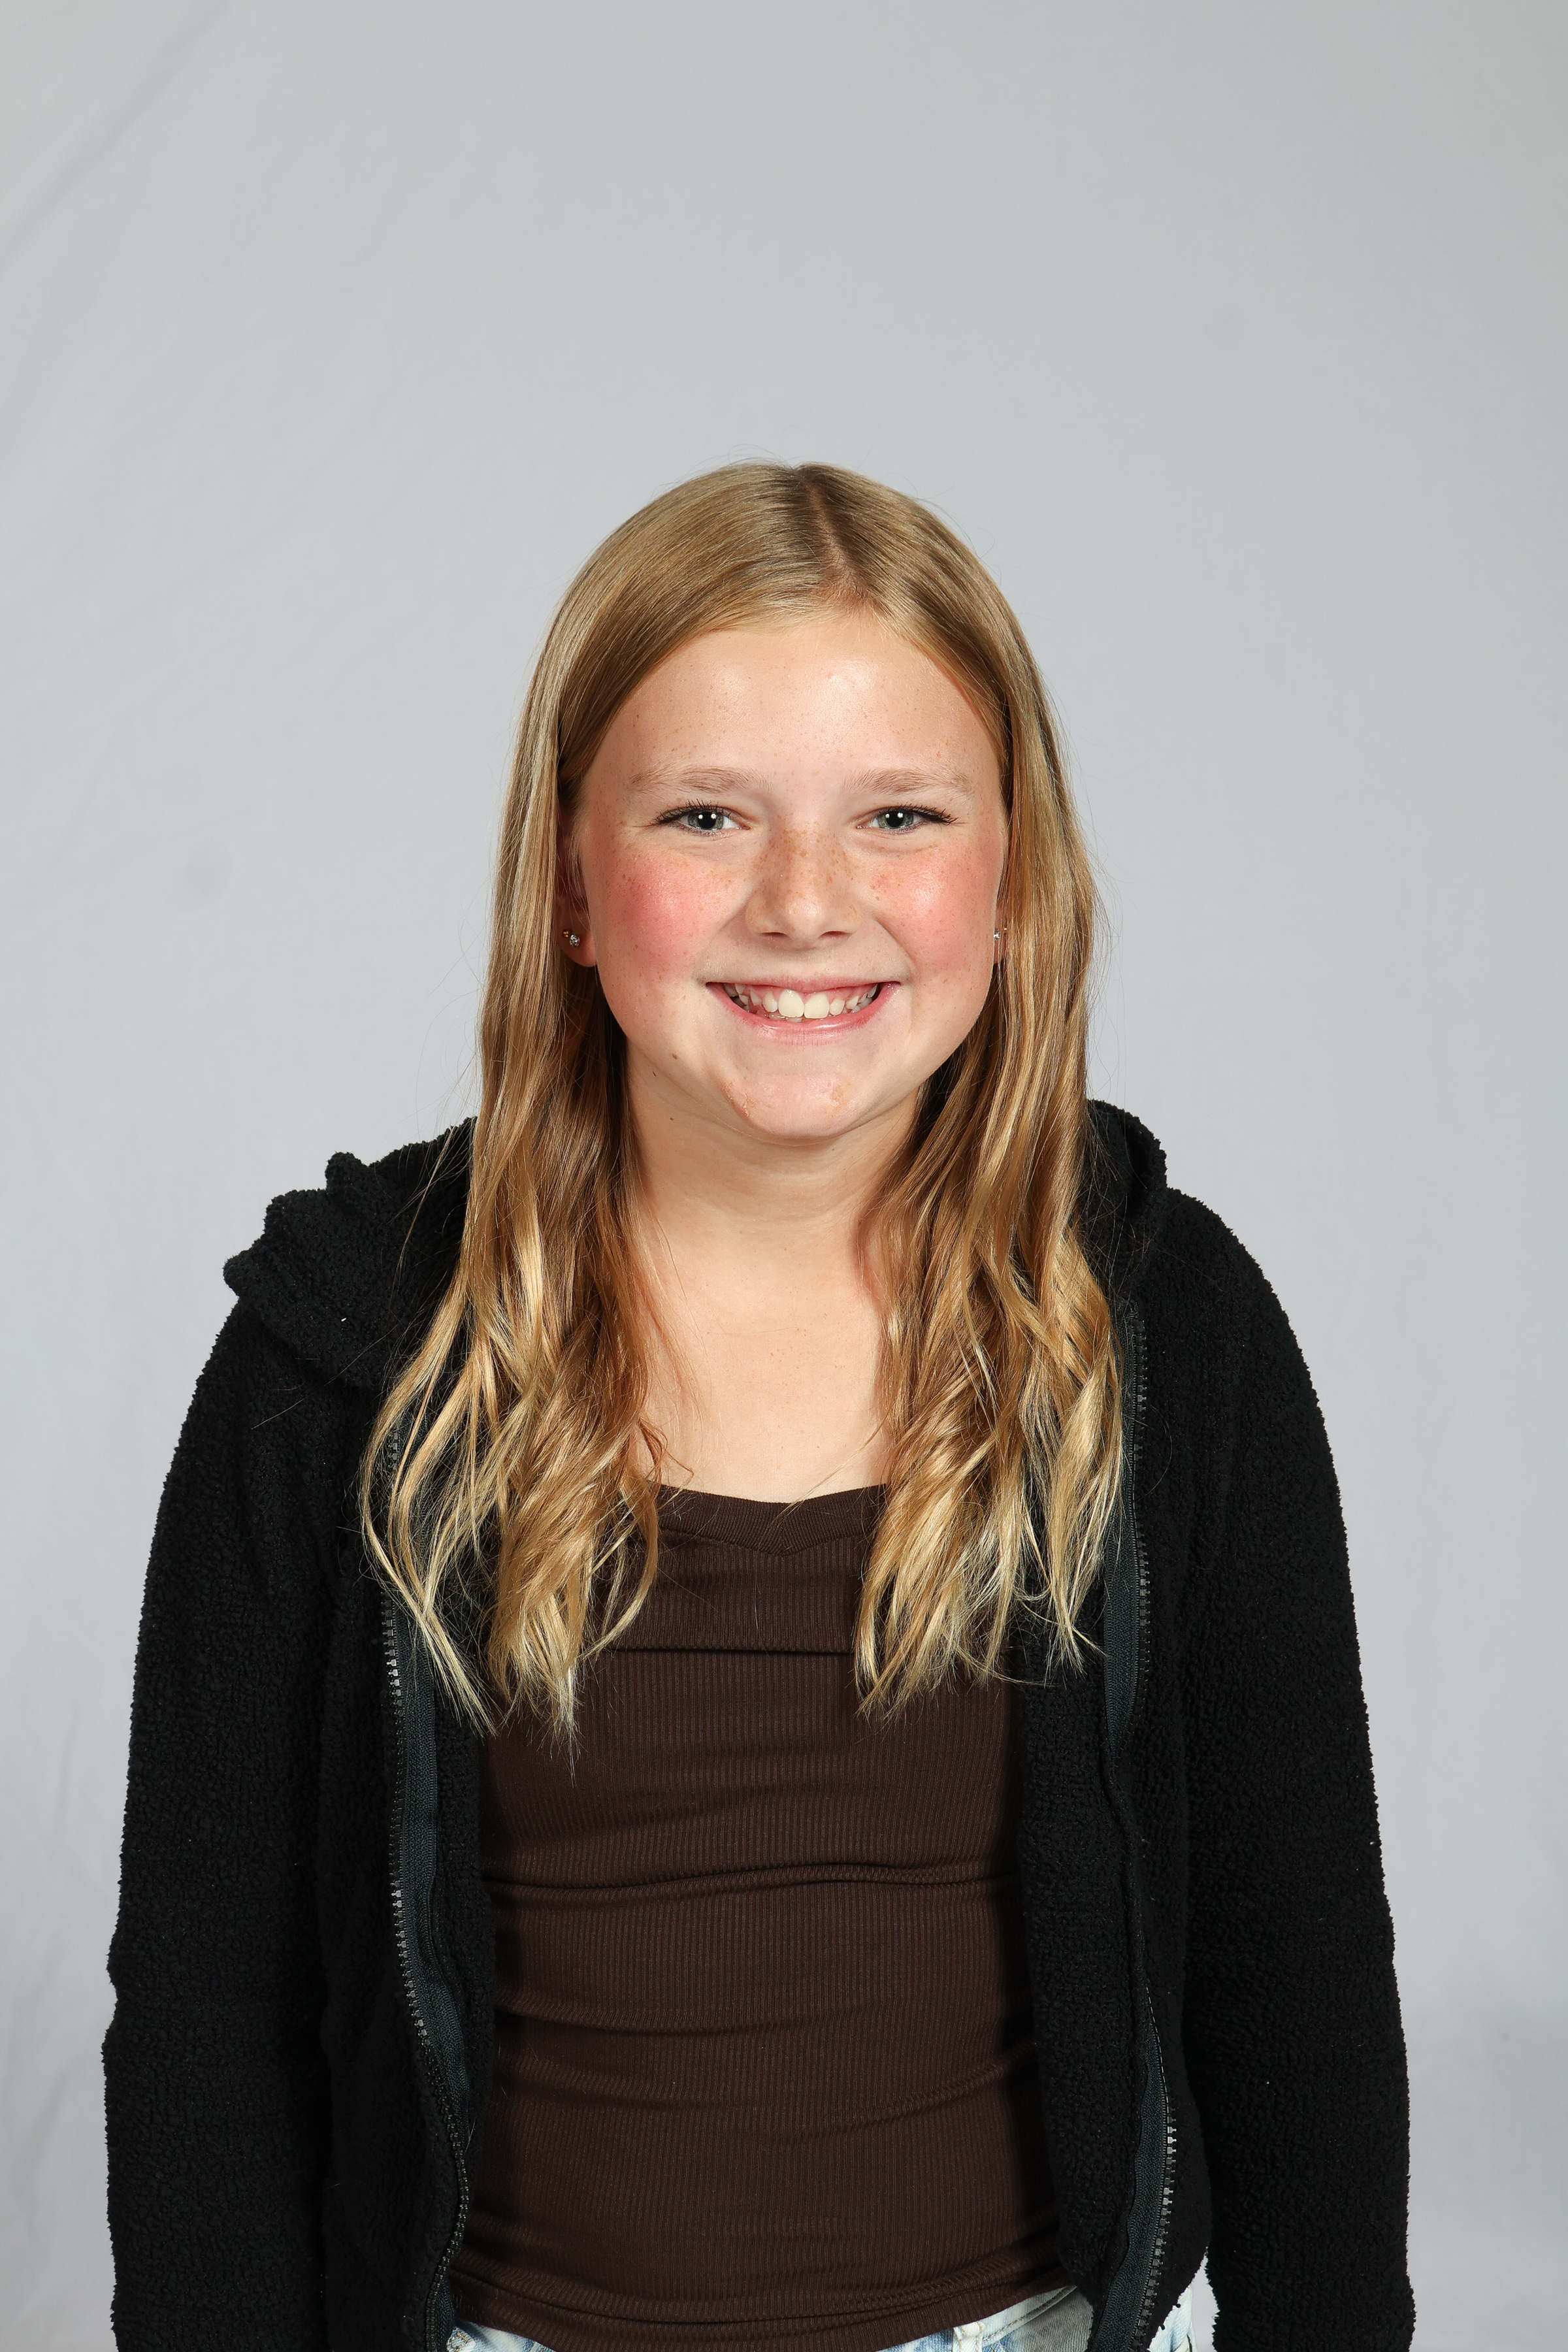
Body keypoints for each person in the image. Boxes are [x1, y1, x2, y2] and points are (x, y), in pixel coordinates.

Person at [103, 463, 1414, 2352]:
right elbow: (209, 2011)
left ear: (1013, 881)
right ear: (572, 883)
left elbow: (1298, 1980)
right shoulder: (349, 1356)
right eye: (707, 815)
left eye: (901, 815)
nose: (807, 903)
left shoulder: (1161, 1331)